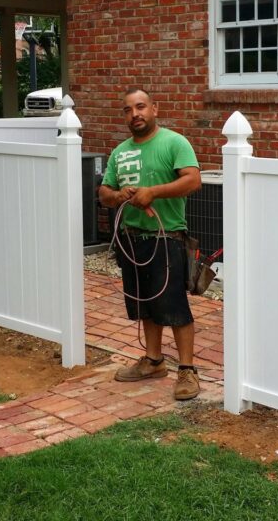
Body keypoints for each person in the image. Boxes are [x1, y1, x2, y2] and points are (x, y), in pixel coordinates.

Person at [98, 88, 202, 400]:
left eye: (140, 107)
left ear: (154, 108)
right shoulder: (120, 152)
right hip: (132, 240)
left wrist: (153, 192)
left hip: (166, 238)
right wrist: (118, 196)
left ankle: (187, 370)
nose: (135, 115)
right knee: (144, 304)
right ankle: (154, 361)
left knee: (173, 306)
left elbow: (193, 180)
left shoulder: (174, 142)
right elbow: (104, 192)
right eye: (128, 110)